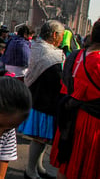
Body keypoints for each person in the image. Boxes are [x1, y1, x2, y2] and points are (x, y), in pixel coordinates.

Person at [50, 18, 100, 179]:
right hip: (91, 123)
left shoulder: (78, 55)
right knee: (84, 167)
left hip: (74, 116)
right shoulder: (97, 60)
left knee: (67, 164)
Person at [17, 20, 65, 179]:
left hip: (41, 97)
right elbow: (57, 77)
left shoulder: (38, 46)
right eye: (61, 36)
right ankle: (31, 171)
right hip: (43, 100)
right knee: (39, 138)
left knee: (42, 138)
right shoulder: (52, 54)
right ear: (54, 35)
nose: (61, 39)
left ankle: (39, 167)